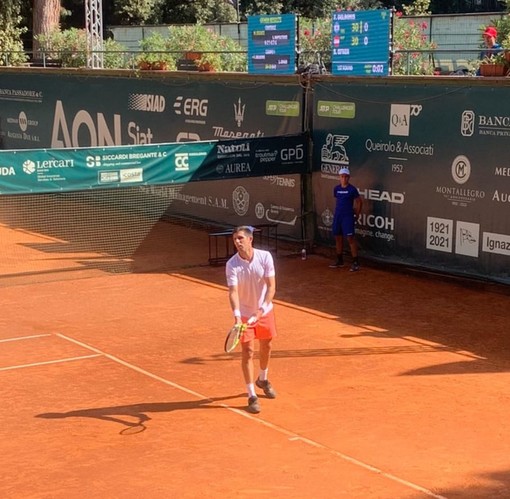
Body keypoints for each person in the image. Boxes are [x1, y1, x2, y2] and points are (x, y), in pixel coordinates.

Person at [226, 225, 277, 414]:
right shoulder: (232, 264)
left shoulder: (265, 257)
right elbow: (233, 292)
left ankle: (262, 378)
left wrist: (261, 310)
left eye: (240, 238)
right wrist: (238, 317)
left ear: (250, 240)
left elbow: (271, 287)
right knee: (247, 351)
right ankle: (251, 395)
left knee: (267, 346)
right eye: (235, 239)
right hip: (245, 315)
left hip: (264, 311)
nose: (237, 242)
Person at [329, 167, 362, 271]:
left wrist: (356, 214)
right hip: (338, 216)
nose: (344, 178)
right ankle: (340, 260)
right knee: (338, 237)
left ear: (349, 178)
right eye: (342, 176)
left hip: (348, 217)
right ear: (339, 177)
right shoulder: (336, 189)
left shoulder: (352, 189)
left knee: (350, 238)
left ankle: (355, 263)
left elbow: (359, 202)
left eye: (346, 177)